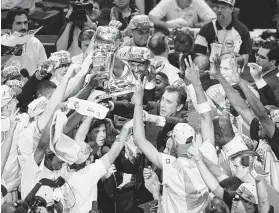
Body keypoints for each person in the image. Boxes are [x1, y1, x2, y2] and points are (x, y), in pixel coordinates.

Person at [132, 56, 219, 213]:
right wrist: (196, 84)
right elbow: (207, 118)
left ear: (174, 143)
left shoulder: (172, 166)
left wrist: (138, 101)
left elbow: (139, 139)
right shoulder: (208, 154)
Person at [194, 0, 252, 65]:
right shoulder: (205, 29)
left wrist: (224, 60)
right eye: (217, 7)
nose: (219, 10)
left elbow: (245, 59)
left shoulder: (242, 30)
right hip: (211, 71)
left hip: (233, 72)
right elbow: (198, 56)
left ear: (231, 9)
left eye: (223, 7)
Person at [3, 7, 47, 76]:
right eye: (19, 23)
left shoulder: (36, 43)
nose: (23, 27)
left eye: (25, 23)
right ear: (10, 25)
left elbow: (44, 70)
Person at [149, 0, 216, 29]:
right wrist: (167, 25)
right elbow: (151, 17)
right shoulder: (168, 1)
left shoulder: (197, 1)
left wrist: (194, 25)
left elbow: (214, 19)